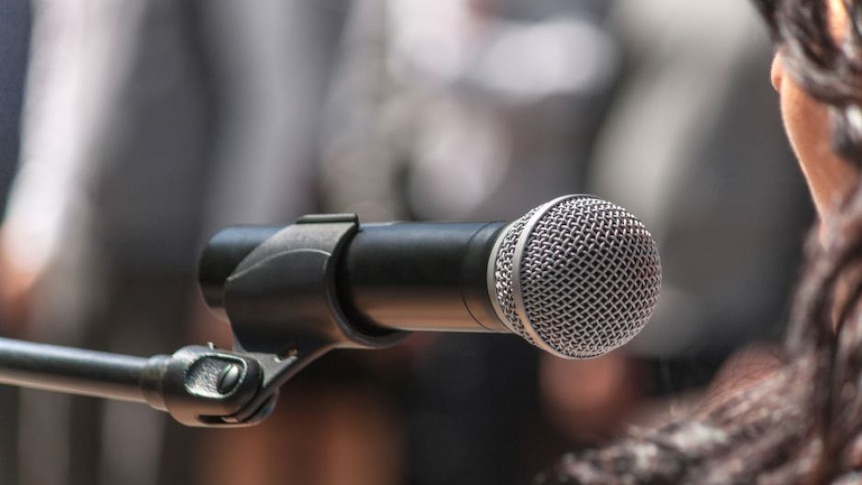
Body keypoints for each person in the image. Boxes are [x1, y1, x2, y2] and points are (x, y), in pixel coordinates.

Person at [536, 0, 862, 483]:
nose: (780, 72)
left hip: (744, 324)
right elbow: (585, 140)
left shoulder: (810, 27)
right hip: (624, 312)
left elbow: (825, 191)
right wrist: (575, 329)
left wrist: (790, 342)